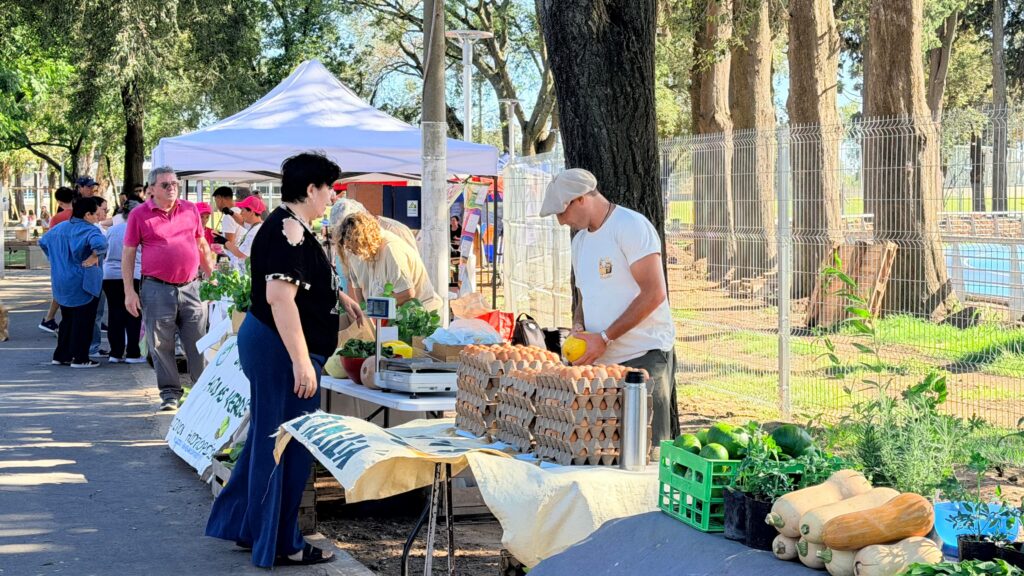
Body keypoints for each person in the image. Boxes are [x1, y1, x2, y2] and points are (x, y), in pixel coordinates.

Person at [206, 151, 363, 568]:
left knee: (270, 440)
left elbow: (302, 282)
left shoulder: (289, 225)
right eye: (328, 188)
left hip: (275, 344)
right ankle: (282, 541)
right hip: (280, 349)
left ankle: (250, 526)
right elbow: (280, 299)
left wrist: (339, 296)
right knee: (287, 446)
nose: (332, 197)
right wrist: (301, 361)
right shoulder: (287, 229)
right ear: (311, 189)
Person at [540, 168, 679, 443]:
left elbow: (654, 293)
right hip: (602, 363)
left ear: (581, 199)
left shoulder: (630, 226)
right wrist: (579, 327)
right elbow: (584, 296)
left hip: (644, 356)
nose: (560, 221)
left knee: (647, 451)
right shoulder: (580, 242)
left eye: (561, 211)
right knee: (607, 452)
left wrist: (605, 337)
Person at [123, 166, 214, 411]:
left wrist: (212, 276)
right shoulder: (139, 215)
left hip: (192, 287)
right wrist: (129, 292)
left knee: (198, 342)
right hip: (156, 289)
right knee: (161, 344)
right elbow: (128, 253)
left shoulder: (190, 209)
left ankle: (201, 392)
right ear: (151, 190)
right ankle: (170, 394)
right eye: (165, 185)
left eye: (174, 183)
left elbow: (201, 244)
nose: (172, 188)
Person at [38, 197, 108, 368]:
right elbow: (102, 244)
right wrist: (93, 257)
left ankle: (62, 355)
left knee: (67, 319)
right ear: (87, 214)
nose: (98, 215)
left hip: (61, 281)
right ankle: (80, 357)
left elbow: (42, 242)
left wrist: (55, 259)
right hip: (83, 281)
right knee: (84, 321)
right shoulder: (89, 230)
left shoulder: (60, 228)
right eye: (96, 212)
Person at [338, 211, 441, 312]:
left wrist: (373, 308)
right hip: (398, 314)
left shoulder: (391, 249)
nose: (354, 252)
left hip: (421, 313)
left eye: (355, 248)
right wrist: (365, 311)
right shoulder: (368, 249)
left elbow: (407, 292)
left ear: (364, 240)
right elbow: (359, 288)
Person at [103, 200, 145, 364]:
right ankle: (133, 352)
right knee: (134, 314)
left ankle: (115, 352)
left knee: (114, 314)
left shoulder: (112, 230)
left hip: (110, 275)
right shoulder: (139, 229)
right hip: (133, 273)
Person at [39, 186, 77, 334]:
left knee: (60, 289)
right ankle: (52, 319)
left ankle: (50, 318)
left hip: (60, 258)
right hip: (76, 257)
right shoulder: (78, 214)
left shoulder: (56, 218)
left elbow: (48, 240)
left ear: (59, 202)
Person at [225, 195, 265, 267]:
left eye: (243, 210)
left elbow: (240, 254)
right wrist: (231, 213)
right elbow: (242, 222)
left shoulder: (254, 232)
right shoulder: (258, 225)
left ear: (251, 212)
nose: (241, 213)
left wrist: (224, 242)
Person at [212, 186, 244, 267]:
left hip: (232, 260)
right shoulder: (239, 211)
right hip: (240, 258)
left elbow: (229, 244)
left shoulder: (228, 216)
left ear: (220, 198)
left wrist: (219, 238)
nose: (216, 205)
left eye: (216, 201)